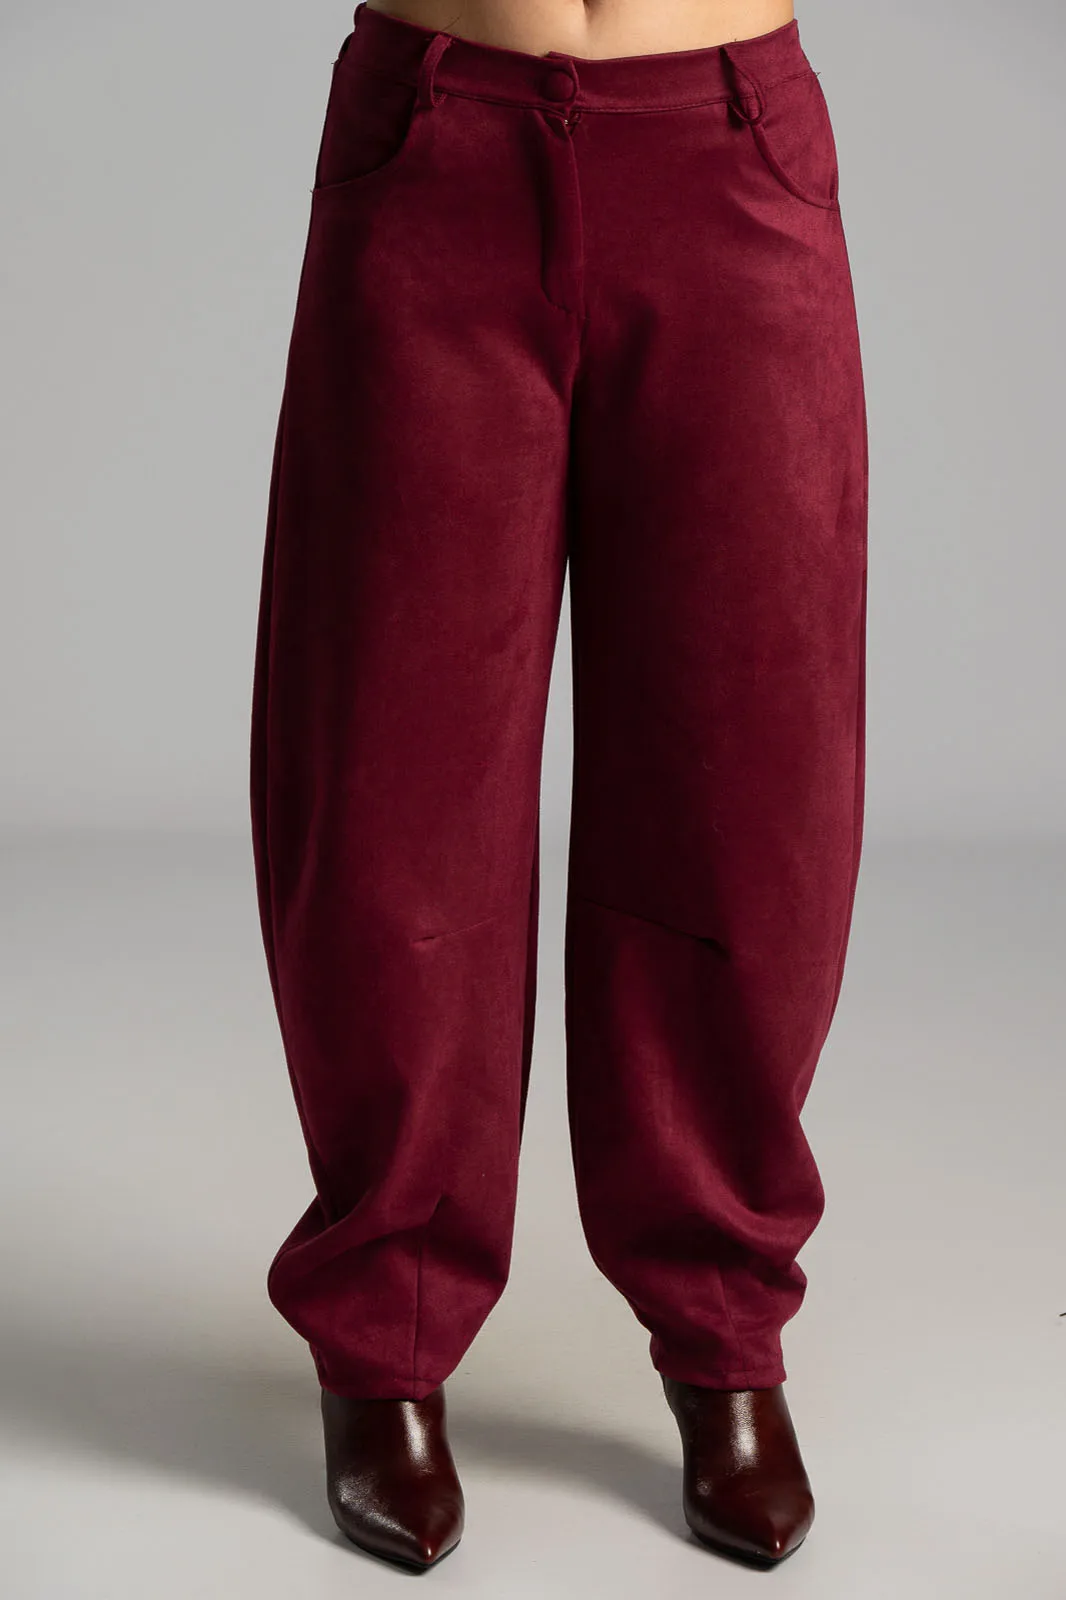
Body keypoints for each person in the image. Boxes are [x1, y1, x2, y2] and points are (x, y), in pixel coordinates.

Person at [249, 0, 867, 1573]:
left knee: (747, 785)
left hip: (727, 145)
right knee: (389, 782)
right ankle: (382, 1338)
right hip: (432, 139)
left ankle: (723, 1330)